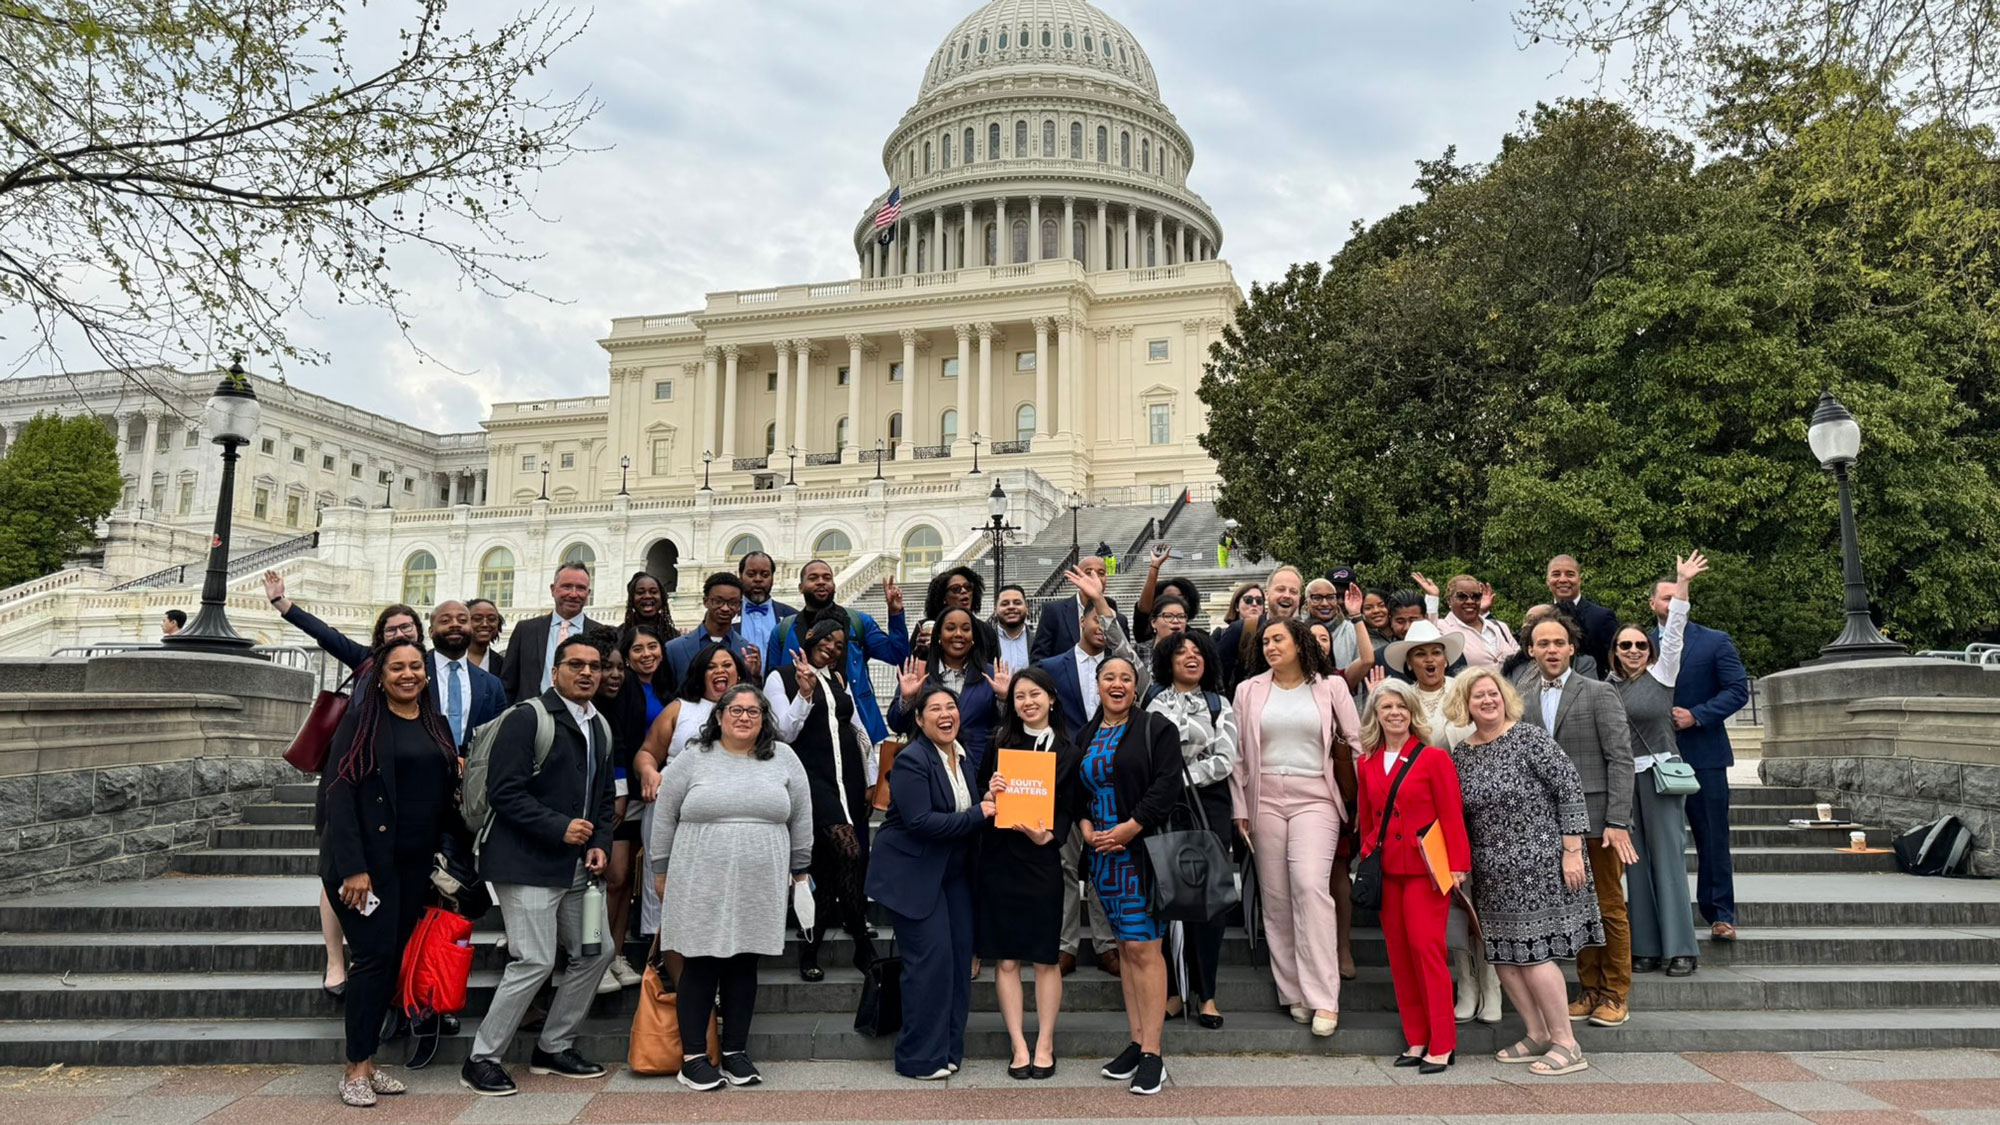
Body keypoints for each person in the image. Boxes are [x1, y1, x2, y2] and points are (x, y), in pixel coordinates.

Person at [461, 635, 618, 1097]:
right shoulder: (528, 717)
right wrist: (560, 828)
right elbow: (504, 792)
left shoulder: (600, 725)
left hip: (574, 867)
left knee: (596, 950)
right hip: (525, 862)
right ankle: (482, 1058)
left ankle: (553, 1046)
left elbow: (604, 797)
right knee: (534, 960)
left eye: (595, 666)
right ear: (556, 673)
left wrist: (600, 843)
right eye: (576, 665)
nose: (587, 672)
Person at [318, 638, 464, 1107]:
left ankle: (370, 1060)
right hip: (366, 867)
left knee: (388, 962)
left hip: (413, 865)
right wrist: (353, 869)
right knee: (373, 961)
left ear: (426, 673)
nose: (408, 674)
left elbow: (444, 796)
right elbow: (338, 794)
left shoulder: (435, 723)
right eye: (397, 667)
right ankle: (356, 1068)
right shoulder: (362, 721)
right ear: (379, 677)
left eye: (415, 666)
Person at [263, 570, 422, 999]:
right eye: (390, 629)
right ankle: (336, 961)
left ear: (418, 633)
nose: (398, 634)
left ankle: (379, 963)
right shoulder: (366, 662)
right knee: (335, 871)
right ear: (379, 637)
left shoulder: (424, 676)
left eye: (406, 628)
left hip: (393, 795)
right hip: (345, 782)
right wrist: (283, 605)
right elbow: (325, 634)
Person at [650, 683, 813, 1091]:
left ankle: (736, 1052)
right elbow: (665, 814)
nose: (744, 717)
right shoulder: (692, 758)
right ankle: (692, 1058)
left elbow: (802, 817)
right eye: (735, 710)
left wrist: (801, 870)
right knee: (702, 962)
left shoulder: (784, 758)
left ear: (764, 719)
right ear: (719, 716)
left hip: (761, 879)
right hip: (697, 875)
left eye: (754, 711)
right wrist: (659, 870)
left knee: (744, 963)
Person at [1445, 668, 1603, 1077]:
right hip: (1493, 873)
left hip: (1543, 864)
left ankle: (1567, 1044)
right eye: (1477, 696)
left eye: (1492, 693)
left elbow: (1569, 787)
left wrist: (1572, 850)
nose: (1487, 701)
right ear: (1465, 705)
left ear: (1504, 697)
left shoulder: (1529, 737)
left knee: (1535, 956)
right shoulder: (1461, 754)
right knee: (1503, 958)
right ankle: (1536, 1034)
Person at [1230, 617, 1361, 1038]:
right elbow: (1236, 755)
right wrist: (1239, 808)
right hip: (1263, 796)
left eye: (1278, 639)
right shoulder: (1248, 691)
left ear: (1300, 642)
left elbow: (1354, 743)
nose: (1269, 646)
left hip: (1316, 796)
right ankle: (1295, 993)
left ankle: (1325, 996)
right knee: (1276, 896)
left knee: (1308, 885)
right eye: (1265, 641)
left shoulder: (1331, 686)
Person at [865, 683, 999, 1080]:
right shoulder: (912, 759)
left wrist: (986, 799)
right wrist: (980, 813)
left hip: (953, 874)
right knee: (929, 965)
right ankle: (918, 1058)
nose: (946, 714)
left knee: (958, 964)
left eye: (951, 707)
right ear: (920, 720)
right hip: (914, 875)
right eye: (935, 709)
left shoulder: (963, 756)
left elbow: (965, 808)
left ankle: (947, 1050)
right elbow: (921, 821)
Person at [1518, 613, 1636, 1028]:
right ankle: (1587, 990)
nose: (1551, 649)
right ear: (1531, 651)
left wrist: (1618, 820)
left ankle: (1615, 993)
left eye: (1558, 642)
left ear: (1572, 648)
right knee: (1574, 909)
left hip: (1598, 820)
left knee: (1608, 907)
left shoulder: (1599, 692)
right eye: (1542, 643)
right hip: (1546, 824)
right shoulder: (1522, 695)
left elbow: (1620, 758)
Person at [1075, 655, 1183, 1096]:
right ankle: (1137, 1042)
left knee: (1144, 947)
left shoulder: (1155, 728)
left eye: (1125, 678)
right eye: (1108, 677)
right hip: (1103, 859)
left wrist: (1130, 827)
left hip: (1140, 854)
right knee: (1124, 947)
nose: (1117, 684)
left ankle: (1154, 1053)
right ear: (1097, 685)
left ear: (1135, 687)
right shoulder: (1085, 734)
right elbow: (1075, 792)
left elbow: (1167, 784)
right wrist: (1085, 828)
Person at [1382, 620, 1495, 1023]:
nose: (1429, 660)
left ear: (1446, 656)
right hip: (1427, 820)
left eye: (1435, 652)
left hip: (1478, 806)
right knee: (1451, 905)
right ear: (1409, 662)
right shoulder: (1402, 698)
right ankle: (1465, 981)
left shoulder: (1464, 689)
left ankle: (1492, 983)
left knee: (1482, 897)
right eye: (1419, 654)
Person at [1357, 679, 1470, 1075]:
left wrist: (1457, 864)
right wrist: (1369, 851)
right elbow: (1368, 817)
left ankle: (1442, 1043)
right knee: (1400, 956)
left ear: (1412, 713)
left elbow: (1451, 814)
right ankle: (1417, 1037)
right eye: (1386, 707)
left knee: (1427, 951)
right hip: (1388, 871)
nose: (1394, 713)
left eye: (1401, 707)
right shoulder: (1366, 762)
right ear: (1376, 715)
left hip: (1425, 871)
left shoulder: (1433, 758)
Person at [975, 668, 1083, 1079]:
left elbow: (1070, 808)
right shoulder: (999, 743)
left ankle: (1045, 1043)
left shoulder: (1069, 752)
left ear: (1052, 699)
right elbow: (983, 794)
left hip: (1041, 861)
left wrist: (1049, 835)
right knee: (1005, 960)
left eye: (1035, 694)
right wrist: (991, 791)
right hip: (1002, 859)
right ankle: (1018, 1044)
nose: (1027, 702)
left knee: (1044, 958)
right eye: (1019, 696)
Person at [1035, 566, 1138, 977]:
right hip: (1064, 778)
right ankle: (1065, 944)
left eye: (1108, 618)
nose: (1101, 624)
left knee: (1103, 860)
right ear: (1081, 621)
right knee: (1063, 862)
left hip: (1109, 782)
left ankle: (1107, 942)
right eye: (1096, 616)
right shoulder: (1051, 665)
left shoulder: (1123, 672)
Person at [769, 618, 879, 980]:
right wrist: (803, 694)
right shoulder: (781, 677)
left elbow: (858, 729)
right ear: (810, 637)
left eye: (840, 644)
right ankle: (863, 942)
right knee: (850, 851)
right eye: (827, 640)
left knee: (829, 867)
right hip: (811, 780)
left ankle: (811, 948)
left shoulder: (839, 680)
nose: (833, 648)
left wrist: (870, 779)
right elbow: (783, 732)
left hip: (847, 778)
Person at [1614, 553, 1707, 980]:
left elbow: (1675, 634)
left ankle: (1681, 949)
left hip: (1660, 775)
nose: (1633, 650)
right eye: (1624, 645)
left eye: (1639, 644)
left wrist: (1682, 583)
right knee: (1635, 865)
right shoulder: (1605, 687)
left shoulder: (1662, 674)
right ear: (1614, 652)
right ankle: (1647, 947)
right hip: (1623, 781)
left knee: (1669, 860)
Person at [1144, 629, 1237, 1030]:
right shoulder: (1150, 700)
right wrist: (1166, 784)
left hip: (1207, 804)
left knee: (1207, 904)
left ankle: (1206, 993)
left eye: (1198, 651)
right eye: (1181, 652)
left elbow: (1226, 758)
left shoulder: (1219, 703)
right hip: (1160, 807)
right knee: (1163, 896)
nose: (1191, 657)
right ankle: (1171, 990)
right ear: (1168, 660)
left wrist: (1181, 777)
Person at [631, 643, 752, 942]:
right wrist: (648, 771)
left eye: (727, 665)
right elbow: (646, 754)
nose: (720, 671)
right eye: (712, 666)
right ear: (700, 674)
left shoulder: (752, 712)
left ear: (738, 674)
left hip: (729, 812)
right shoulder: (680, 708)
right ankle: (658, 950)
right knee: (663, 875)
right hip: (672, 805)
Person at [1652, 575, 1750, 942]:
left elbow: (1738, 690)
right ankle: (1665, 917)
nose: (1670, 603)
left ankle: (1720, 913)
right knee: (1659, 843)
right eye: (1664, 598)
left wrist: (1698, 714)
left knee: (1712, 839)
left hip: (1703, 755)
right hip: (1655, 757)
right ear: (1653, 605)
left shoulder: (1714, 641)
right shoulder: (1638, 645)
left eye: (1675, 597)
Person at [599, 623, 669, 992]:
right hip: (623, 791)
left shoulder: (666, 685)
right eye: (638, 649)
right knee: (616, 875)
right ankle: (601, 956)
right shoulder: (619, 688)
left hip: (654, 793)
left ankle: (617, 952)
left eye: (653, 646)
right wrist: (621, 790)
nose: (647, 654)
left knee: (627, 882)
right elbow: (622, 743)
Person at [772, 562, 909, 743]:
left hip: (856, 725)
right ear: (800, 587)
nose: (821, 582)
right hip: (804, 729)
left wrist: (895, 614)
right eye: (813, 578)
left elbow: (898, 655)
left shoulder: (859, 622)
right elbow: (773, 678)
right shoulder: (783, 630)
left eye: (827, 578)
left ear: (834, 585)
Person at [887, 605, 1007, 778]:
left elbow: (1006, 725)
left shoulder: (992, 675)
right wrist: (908, 698)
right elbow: (896, 724)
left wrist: (1003, 698)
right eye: (950, 628)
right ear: (938, 636)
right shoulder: (919, 672)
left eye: (966, 629)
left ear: (973, 637)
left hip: (980, 772)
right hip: (927, 771)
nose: (958, 634)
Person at [496, 561, 608, 704]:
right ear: (553, 589)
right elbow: (508, 684)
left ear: (588, 593)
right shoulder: (526, 631)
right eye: (567, 586)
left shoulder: (601, 634)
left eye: (580, 588)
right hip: (531, 718)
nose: (573, 594)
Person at [426, 600, 509, 748]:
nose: (455, 624)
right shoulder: (414, 675)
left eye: (463, 620)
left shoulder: (492, 684)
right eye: (445, 620)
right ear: (431, 631)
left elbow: (498, 736)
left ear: (470, 629)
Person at [663, 572, 759, 685]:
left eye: (733, 603)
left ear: (739, 606)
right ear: (705, 601)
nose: (725, 608)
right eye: (718, 601)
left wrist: (755, 677)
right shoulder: (674, 649)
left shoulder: (747, 651)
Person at [1030, 554, 1130, 663]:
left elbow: (1127, 663)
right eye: (1088, 572)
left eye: (1101, 573)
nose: (1094, 577)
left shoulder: (1119, 620)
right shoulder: (1054, 612)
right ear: (1077, 576)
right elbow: (1038, 660)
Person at [1416, 572, 1518, 671]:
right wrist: (1433, 597)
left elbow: (1520, 658)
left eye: (1476, 596)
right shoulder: (1441, 628)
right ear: (1449, 600)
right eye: (1462, 596)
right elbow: (1427, 636)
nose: (1470, 601)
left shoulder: (1499, 627)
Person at [1546, 555, 1617, 680]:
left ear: (1579, 580)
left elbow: (1615, 662)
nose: (1563, 579)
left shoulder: (1601, 617)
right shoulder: (1541, 617)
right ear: (1548, 581)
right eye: (1556, 574)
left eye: (1570, 574)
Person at [1304, 577, 1377, 690]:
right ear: (1307, 601)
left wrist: (1356, 615)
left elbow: (1367, 660)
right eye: (1317, 598)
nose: (1324, 603)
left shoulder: (1353, 630)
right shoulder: (1296, 631)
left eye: (1331, 597)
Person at [923, 565, 998, 664]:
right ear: (943, 598)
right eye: (955, 589)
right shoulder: (925, 628)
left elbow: (994, 670)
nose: (964, 591)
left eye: (968, 587)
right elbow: (905, 672)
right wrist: (919, 652)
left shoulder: (986, 631)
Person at [1134, 543, 1203, 645]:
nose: (1174, 602)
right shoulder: (1147, 634)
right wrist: (1155, 566)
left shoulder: (1198, 639)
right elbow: (1143, 609)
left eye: (1180, 598)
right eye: (1168, 597)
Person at [735, 551, 795, 662]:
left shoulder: (791, 617)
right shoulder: (728, 614)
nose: (758, 579)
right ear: (740, 577)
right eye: (751, 574)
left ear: (772, 578)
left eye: (765, 575)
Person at [620, 571, 678, 647]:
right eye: (640, 592)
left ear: (662, 598)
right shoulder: (618, 636)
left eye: (653, 592)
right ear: (631, 600)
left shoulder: (675, 637)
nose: (647, 596)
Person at [990, 583, 1035, 672]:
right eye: (1005, 604)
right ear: (995, 610)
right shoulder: (984, 642)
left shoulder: (1038, 641)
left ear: (1027, 608)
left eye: (1017, 603)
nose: (1011, 607)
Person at [467, 598, 506, 674]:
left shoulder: (503, 665)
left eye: (491, 619)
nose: (485, 624)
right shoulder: (447, 657)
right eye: (477, 619)